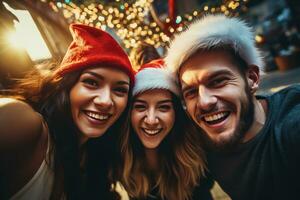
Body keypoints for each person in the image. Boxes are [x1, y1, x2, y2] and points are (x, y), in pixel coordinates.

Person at [165, 14, 300, 199]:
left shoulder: (291, 124)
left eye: (218, 81)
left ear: (252, 78)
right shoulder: (198, 141)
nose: (204, 102)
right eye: (190, 92)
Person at [0, 23, 135, 200]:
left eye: (120, 90)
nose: (105, 101)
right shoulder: (24, 120)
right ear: (66, 87)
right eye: (92, 83)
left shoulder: (93, 157)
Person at [112, 59, 212, 200]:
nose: (151, 120)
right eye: (140, 107)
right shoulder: (117, 153)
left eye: (163, 107)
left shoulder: (200, 152)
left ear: (176, 113)